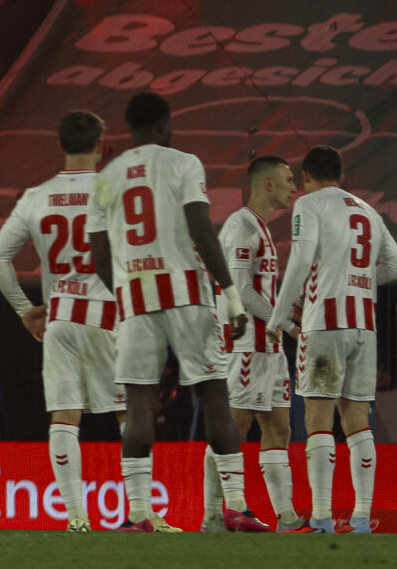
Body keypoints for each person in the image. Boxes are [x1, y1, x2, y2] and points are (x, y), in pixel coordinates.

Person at [87, 91, 265, 532]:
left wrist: (125, 291)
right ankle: (236, 507)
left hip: (136, 299)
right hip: (187, 292)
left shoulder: (106, 176)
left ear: (130, 128)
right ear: (164, 125)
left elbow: (98, 253)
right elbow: (202, 232)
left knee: (140, 404)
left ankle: (139, 514)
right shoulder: (183, 162)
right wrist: (233, 298)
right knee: (213, 397)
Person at [0, 106, 125, 527]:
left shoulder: (35, 196)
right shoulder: (113, 191)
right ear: (102, 145)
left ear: (60, 145)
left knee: (65, 417)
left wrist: (26, 310)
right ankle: (141, 511)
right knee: (127, 412)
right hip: (106, 311)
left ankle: (76, 519)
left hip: (60, 312)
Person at [266, 145, 397, 534]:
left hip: (326, 327)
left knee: (318, 419)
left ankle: (322, 516)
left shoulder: (310, 204)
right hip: (364, 328)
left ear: (306, 178)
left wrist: (279, 314)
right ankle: (363, 518)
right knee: (357, 422)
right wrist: (355, 280)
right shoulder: (368, 211)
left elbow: (301, 258)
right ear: (341, 176)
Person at [209, 156, 298, 531]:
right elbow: (242, 292)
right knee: (235, 424)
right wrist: (287, 322)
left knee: (279, 428)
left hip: (268, 346)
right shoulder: (241, 226)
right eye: (289, 179)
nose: (295, 186)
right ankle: (221, 511)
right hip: (247, 342)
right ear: (268, 184)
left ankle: (288, 517)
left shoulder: (259, 228)